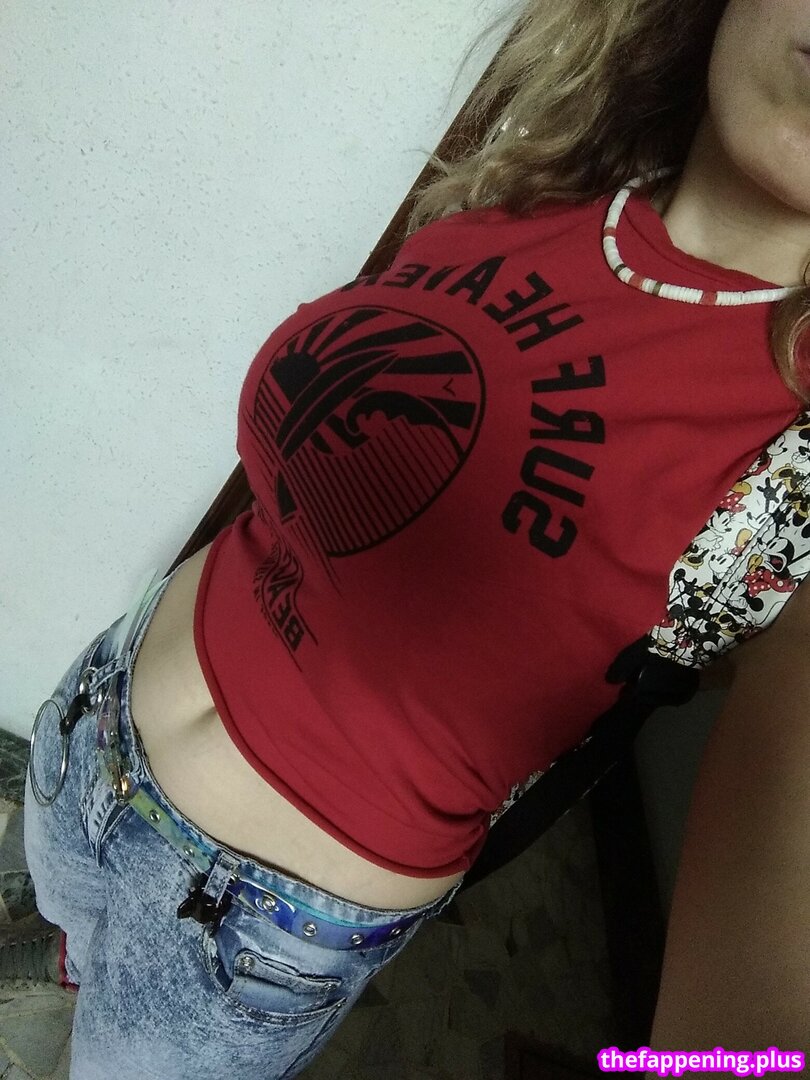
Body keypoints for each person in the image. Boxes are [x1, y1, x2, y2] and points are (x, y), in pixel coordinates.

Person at [22, 0, 810, 1075]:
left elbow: (755, 1031)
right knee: (63, 942)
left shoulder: (795, 459)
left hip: (243, 936)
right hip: (97, 722)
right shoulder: (554, 178)